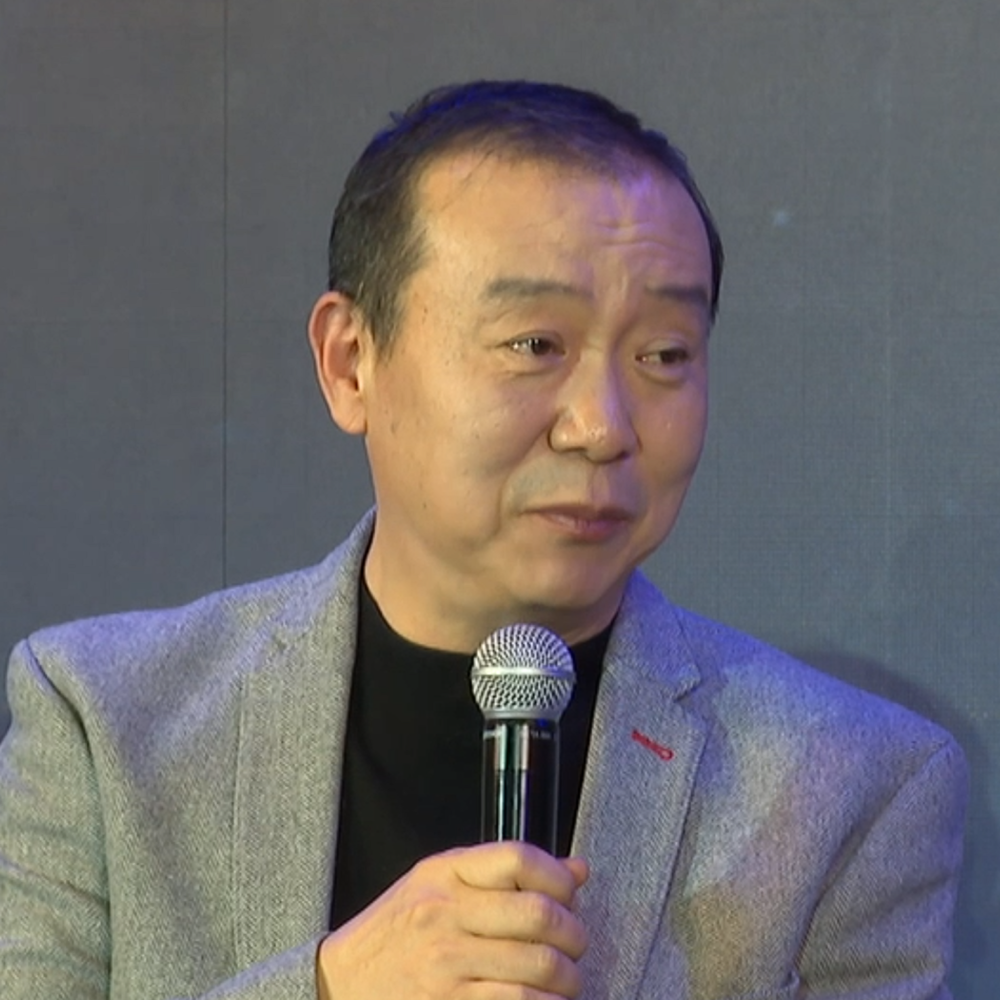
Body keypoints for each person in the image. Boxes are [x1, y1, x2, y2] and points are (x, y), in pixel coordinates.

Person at [0, 80, 966, 1000]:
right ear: (350, 363)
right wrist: (331, 988)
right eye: (535, 345)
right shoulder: (105, 722)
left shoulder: (850, 784)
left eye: (664, 355)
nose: (602, 426)